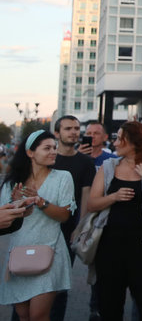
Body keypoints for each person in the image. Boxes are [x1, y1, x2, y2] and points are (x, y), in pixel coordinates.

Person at [87, 121, 142, 321]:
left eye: (119, 138)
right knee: (109, 304)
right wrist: (113, 197)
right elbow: (92, 203)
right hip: (110, 246)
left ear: (134, 142)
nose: (115, 143)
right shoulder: (108, 167)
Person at [0, 130, 74, 321]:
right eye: (47, 148)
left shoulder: (63, 177)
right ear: (30, 152)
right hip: (19, 255)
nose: (53, 152)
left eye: (55, 148)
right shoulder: (12, 183)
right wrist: (17, 204)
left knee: (39, 316)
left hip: (50, 251)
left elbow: (65, 215)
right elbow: (6, 221)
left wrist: (40, 201)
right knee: (23, 315)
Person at [50, 115, 96, 321]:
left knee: (60, 282)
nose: (74, 132)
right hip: (43, 225)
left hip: (69, 228)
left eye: (77, 128)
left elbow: (86, 195)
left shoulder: (85, 162)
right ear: (57, 133)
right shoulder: (48, 159)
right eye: (68, 128)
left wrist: (81, 227)